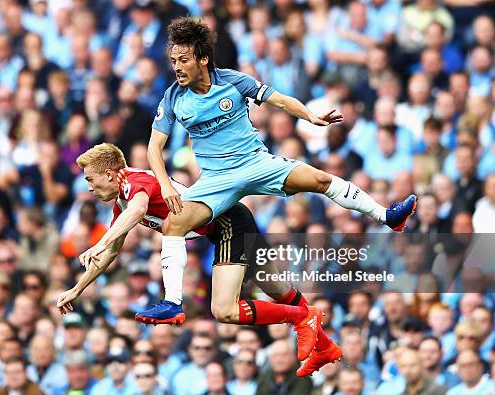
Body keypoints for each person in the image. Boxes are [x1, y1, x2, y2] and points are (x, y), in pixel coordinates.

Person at [142, 17, 414, 372]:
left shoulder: (233, 81)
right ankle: (173, 302)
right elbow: (154, 148)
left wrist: (310, 116)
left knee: (318, 180)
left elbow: (279, 100)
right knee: (174, 226)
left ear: (203, 59)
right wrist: (164, 182)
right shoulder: (173, 97)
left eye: (184, 60)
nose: (177, 67)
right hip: (215, 180)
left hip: (256, 162)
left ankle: (387, 216)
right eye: (173, 61)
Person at [56, 143, 336, 373]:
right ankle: (324, 347)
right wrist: (77, 289)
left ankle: (302, 317)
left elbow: (138, 211)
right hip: (230, 222)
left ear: (109, 173)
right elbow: (112, 252)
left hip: (227, 224)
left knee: (224, 310)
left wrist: (98, 242)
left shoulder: (135, 182)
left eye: (90, 179)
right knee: (279, 290)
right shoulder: (122, 201)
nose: (88, 188)